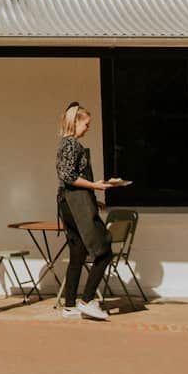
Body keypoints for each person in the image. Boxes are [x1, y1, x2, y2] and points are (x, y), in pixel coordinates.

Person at [55, 101, 121, 321]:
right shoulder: (71, 145)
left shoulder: (68, 144)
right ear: (75, 123)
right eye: (86, 124)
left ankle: (70, 305)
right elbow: (68, 176)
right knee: (104, 250)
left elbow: (69, 179)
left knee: (78, 254)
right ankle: (87, 301)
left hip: (70, 203)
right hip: (76, 205)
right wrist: (95, 186)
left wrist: (94, 199)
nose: (88, 128)